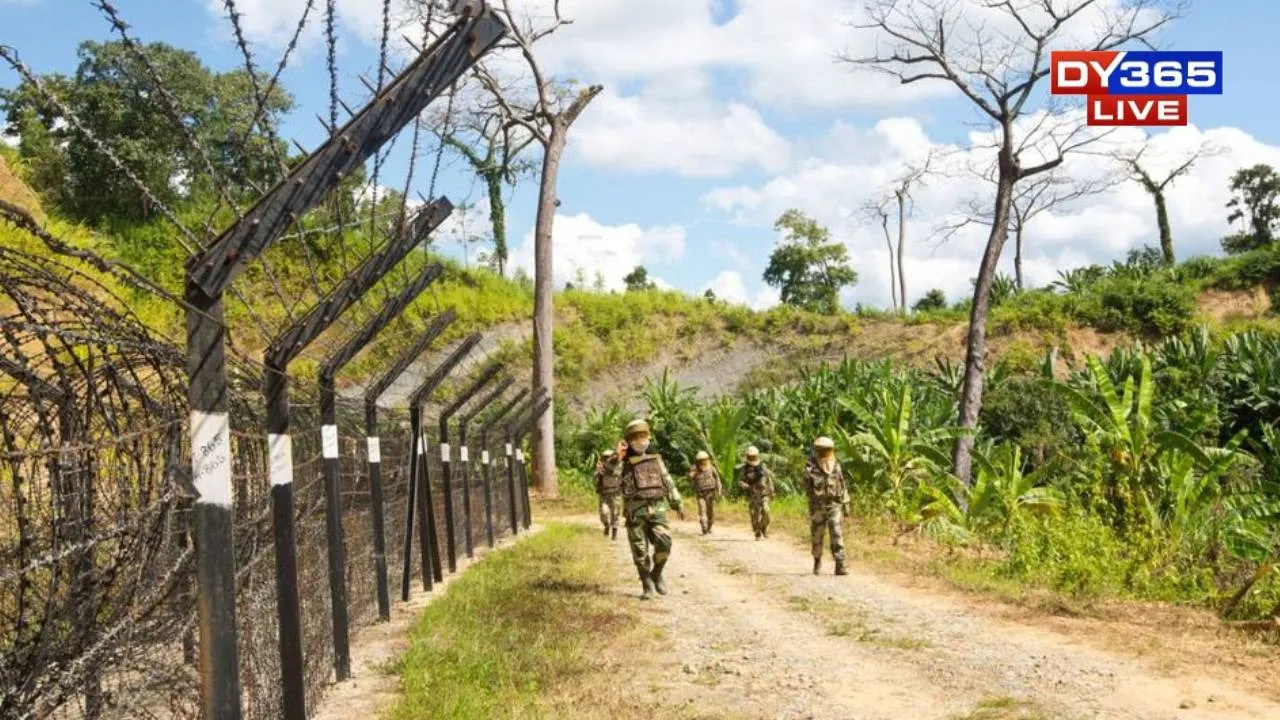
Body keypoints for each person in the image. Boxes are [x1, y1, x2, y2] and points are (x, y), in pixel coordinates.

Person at [618, 419, 683, 600]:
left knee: (665, 543)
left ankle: (657, 572)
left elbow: (666, 478)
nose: (641, 441)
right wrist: (618, 457)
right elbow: (608, 475)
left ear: (649, 437)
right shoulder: (623, 461)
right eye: (636, 438)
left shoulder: (656, 458)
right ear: (629, 440)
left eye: (643, 436)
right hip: (635, 511)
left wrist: (677, 501)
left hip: (657, 508)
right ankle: (646, 584)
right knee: (640, 552)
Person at [804, 436, 850, 576]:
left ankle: (840, 564)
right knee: (817, 535)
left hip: (834, 504)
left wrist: (846, 503)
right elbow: (806, 487)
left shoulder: (836, 465)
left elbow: (842, 485)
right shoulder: (810, 467)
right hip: (817, 506)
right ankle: (817, 560)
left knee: (836, 533)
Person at [737, 445, 774, 540]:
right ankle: (757, 532)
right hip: (753, 494)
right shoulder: (745, 469)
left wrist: (772, 491)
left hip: (764, 493)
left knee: (766, 512)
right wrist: (746, 486)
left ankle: (763, 528)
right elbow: (740, 481)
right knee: (754, 516)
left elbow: (769, 479)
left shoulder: (762, 466)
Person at [688, 450, 723, 534]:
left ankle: (709, 526)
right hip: (700, 494)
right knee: (702, 511)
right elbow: (689, 478)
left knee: (710, 511)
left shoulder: (711, 468)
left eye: (703, 460)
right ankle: (704, 527)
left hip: (710, 493)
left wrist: (719, 490)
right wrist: (692, 474)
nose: (702, 462)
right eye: (700, 460)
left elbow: (717, 479)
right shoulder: (695, 468)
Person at [594, 448, 622, 540]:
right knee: (603, 513)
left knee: (615, 514)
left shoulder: (617, 466)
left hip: (615, 493)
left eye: (608, 457)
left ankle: (614, 532)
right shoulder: (600, 467)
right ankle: (606, 525)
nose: (606, 458)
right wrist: (599, 472)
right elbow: (595, 478)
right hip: (604, 493)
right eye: (605, 457)